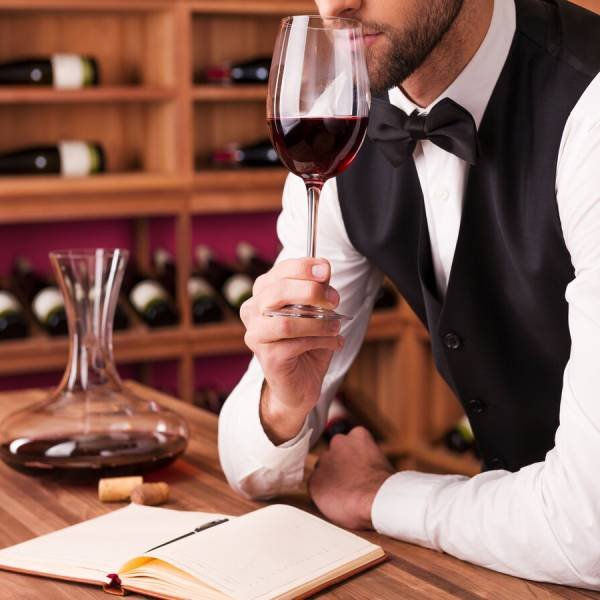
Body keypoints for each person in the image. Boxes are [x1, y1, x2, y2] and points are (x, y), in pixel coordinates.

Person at [219, 0, 600, 589]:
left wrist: (380, 496)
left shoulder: (590, 105)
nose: (337, 4)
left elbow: (589, 531)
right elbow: (250, 468)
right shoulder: (340, 125)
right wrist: (283, 400)